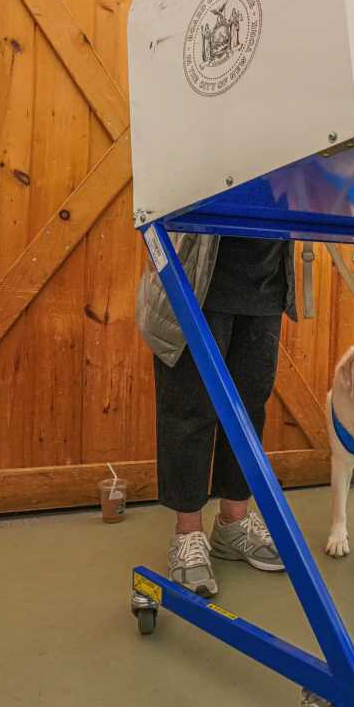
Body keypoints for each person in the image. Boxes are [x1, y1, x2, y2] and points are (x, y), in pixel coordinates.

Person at [136, 234, 296, 597]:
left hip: (266, 285)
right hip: (196, 280)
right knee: (189, 407)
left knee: (249, 407)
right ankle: (188, 532)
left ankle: (233, 525)